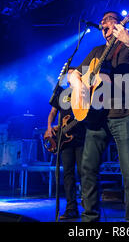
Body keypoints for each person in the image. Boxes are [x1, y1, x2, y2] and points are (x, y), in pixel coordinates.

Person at [69, 10, 129, 222]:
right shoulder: (96, 51)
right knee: (87, 169)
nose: (104, 25)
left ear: (119, 24)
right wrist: (79, 85)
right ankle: (90, 220)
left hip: (124, 113)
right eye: (102, 23)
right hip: (96, 117)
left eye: (109, 21)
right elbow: (72, 74)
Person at [44, 68, 86, 220]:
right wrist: (49, 128)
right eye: (68, 73)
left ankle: (88, 207)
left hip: (81, 138)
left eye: (72, 72)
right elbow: (52, 113)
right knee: (68, 174)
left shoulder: (83, 91)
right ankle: (71, 209)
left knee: (84, 173)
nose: (69, 75)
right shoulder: (62, 92)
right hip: (65, 141)